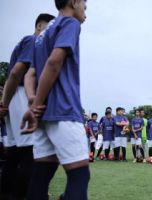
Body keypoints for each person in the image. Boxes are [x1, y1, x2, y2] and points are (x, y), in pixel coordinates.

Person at [20, 1, 89, 199]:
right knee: (79, 176)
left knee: (41, 176)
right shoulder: (70, 23)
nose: (85, 12)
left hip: (43, 116)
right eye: (85, 5)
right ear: (74, 2)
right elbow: (54, 61)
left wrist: (33, 100)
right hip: (63, 110)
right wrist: (35, 106)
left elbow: (30, 74)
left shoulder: (42, 36)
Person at [0, 13, 55, 200]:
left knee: (15, 153)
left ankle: (8, 194)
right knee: (30, 153)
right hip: (22, 96)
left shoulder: (26, 42)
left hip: (14, 97)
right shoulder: (33, 41)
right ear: (39, 26)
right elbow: (16, 73)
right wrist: (6, 103)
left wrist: (5, 103)